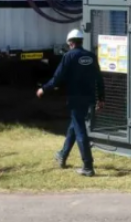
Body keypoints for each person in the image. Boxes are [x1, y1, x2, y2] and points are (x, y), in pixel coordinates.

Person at [37, 29, 105, 177]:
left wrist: (44, 89)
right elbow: (99, 78)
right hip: (89, 98)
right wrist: (101, 98)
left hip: (75, 98)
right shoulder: (91, 56)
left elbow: (57, 78)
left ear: (70, 43)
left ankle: (88, 166)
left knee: (80, 130)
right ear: (81, 41)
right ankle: (62, 155)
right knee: (74, 126)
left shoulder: (69, 56)